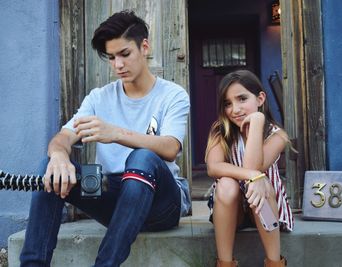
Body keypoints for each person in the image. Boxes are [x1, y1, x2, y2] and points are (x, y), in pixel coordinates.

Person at [20, 10, 190, 267]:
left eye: (124, 54)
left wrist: (117, 134)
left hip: (161, 203)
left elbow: (170, 147)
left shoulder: (172, 95)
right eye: (111, 58)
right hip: (113, 194)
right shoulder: (99, 97)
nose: (118, 65)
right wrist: (58, 155)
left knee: (142, 157)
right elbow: (63, 137)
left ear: (144, 47)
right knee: (50, 168)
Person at [205, 70, 293, 267]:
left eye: (242, 99)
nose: (235, 109)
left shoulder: (277, 136)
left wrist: (257, 122)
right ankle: (225, 263)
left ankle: (274, 262)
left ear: (260, 98)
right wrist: (253, 176)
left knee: (263, 185)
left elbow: (254, 166)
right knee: (227, 184)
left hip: (266, 211)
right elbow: (214, 167)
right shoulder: (220, 130)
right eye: (228, 103)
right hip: (230, 211)